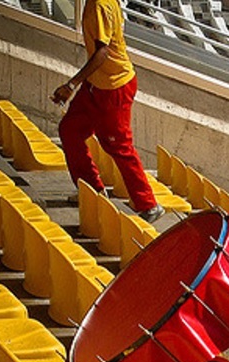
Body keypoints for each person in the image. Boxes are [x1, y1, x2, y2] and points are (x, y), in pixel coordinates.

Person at [51, 0, 164, 223]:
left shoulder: (99, 5)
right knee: (70, 130)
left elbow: (102, 51)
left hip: (114, 87)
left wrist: (71, 85)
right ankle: (92, 191)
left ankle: (149, 204)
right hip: (97, 84)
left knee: (118, 145)